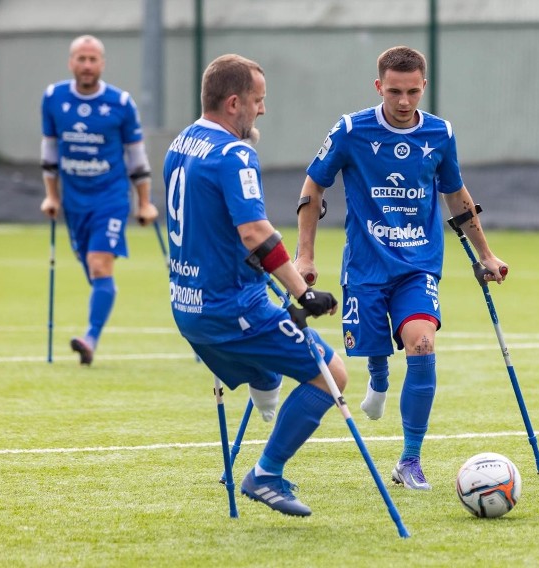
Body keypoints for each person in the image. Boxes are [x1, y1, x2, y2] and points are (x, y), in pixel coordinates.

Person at [294, 45, 508, 491]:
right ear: (379, 87)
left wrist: (486, 255)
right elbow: (314, 185)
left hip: (418, 265)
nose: (405, 101)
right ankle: (378, 376)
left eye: (413, 91)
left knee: (422, 343)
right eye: (395, 91)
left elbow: (456, 195)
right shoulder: (351, 130)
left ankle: (410, 459)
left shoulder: (441, 134)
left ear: (424, 86)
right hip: (367, 265)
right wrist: (305, 256)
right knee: (375, 349)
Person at [163, 53, 346, 517]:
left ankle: (266, 397)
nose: (261, 110)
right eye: (257, 101)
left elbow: (218, 228)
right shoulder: (235, 153)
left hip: (188, 306)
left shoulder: (181, 143)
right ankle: (266, 473)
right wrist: (303, 292)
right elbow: (254, 232)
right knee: (333, 375)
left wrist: (280, 274)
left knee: (265, 367)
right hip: (232, 306)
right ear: (233, 103)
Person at [39, 35, 159, 365]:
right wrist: (51, 196)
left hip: (111, 198)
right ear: (71, 62)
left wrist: (144, 202)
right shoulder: (54, 98)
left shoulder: (121, 103)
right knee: (95, 273)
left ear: (102, 64)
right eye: (81, 58)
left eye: (93, 59)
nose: (87, 65)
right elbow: (50, 151)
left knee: (99, 264)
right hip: (74, 200)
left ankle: (90, 338)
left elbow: (136, 158)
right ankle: (104, 299)